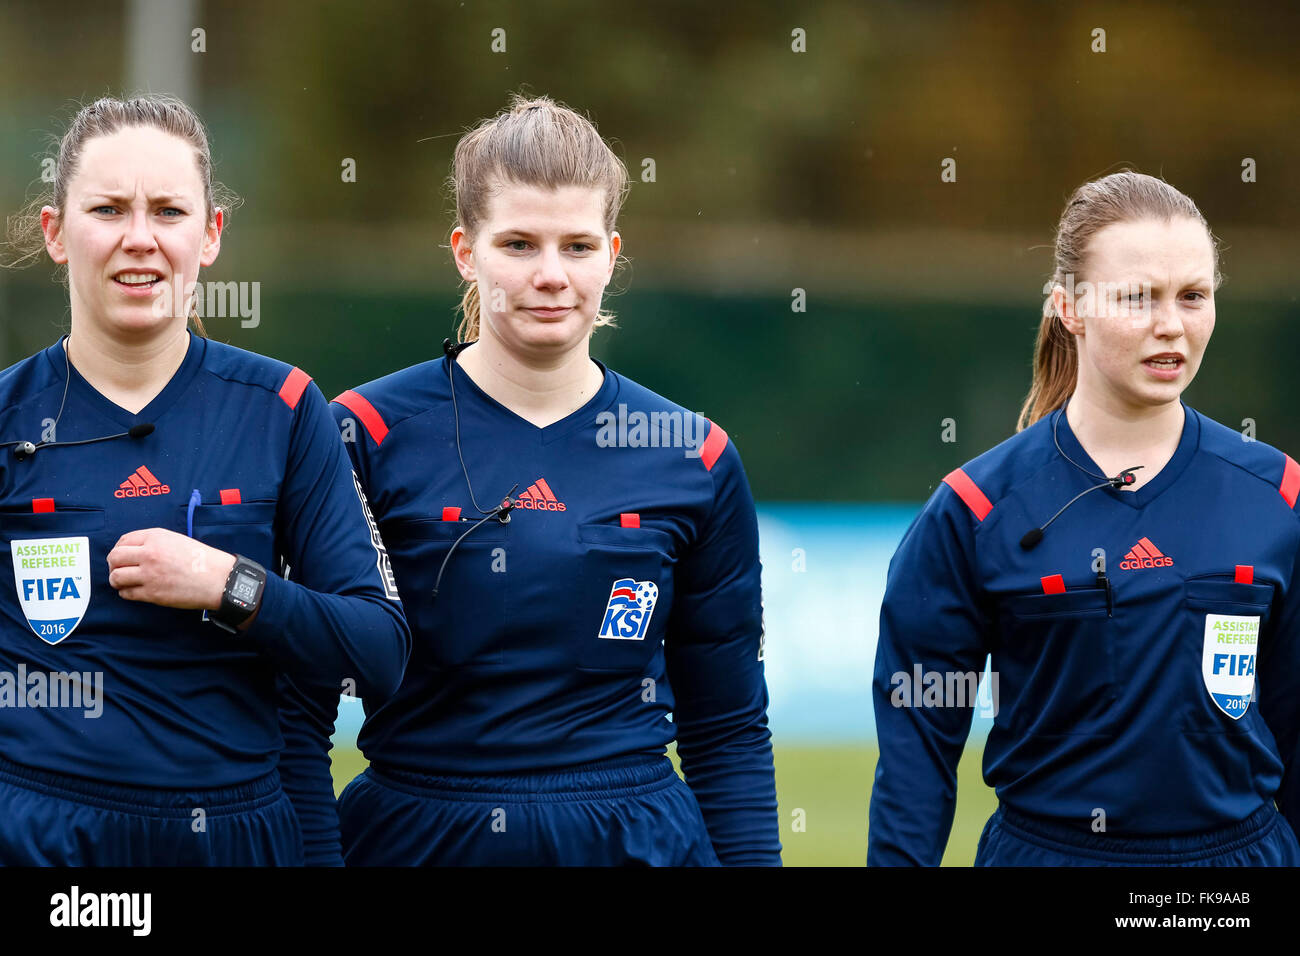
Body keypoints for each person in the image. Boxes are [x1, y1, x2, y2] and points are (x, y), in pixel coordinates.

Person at [316, 93, 781, 865]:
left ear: (613, 253)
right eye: (520, 244)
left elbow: (726, 723)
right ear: (466, 251)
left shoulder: (691, 455)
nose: (551, 276)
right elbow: (299, 698)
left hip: (633, 838)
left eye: (577, 246)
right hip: (417, 835)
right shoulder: (360, 433)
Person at [0, 95, 410, 865]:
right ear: (56, 233)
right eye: (108, 209)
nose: (140, 239)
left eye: (168, 211)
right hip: (44, 842)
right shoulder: (7, 415)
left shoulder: (284, 408)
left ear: (211, 234)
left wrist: (232, 584)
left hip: (231, 837)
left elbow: (378, 648)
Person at [868, 170, 1300, 866]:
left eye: (1193, 296)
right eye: (1138, 297)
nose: (1171, 324)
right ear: (1070, 307)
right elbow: (918, 748)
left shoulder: (1277, 494)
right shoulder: (975, 509)